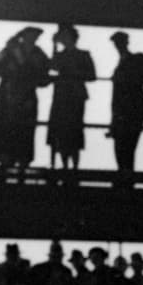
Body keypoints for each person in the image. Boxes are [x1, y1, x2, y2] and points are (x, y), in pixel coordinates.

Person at [0, 27, 48, 177]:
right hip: (7, 98)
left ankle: (21, 166)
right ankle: (3, 164)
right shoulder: (9, 51)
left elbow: (43, 78)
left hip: (26, 99)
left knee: (24, 131)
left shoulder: (38, 54)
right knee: (4, 131)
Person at [46, 23, 95, 174]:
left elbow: (91, 75)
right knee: (60, 130)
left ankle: (72, 165)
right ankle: (63, 164)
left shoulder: (83, 55)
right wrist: (53, 46)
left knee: (72, 130)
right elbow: (52, 66)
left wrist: (76, 72)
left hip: (74, 96)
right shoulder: (62, 55)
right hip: (62, 95)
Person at [108, 31, 143, 179]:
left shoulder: (135, 59)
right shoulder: (130, 60)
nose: (117, 46)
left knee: (126, 146)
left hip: (131, 110)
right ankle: (126, 176)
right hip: (125, 110)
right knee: (124, 147)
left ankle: (125, 176)